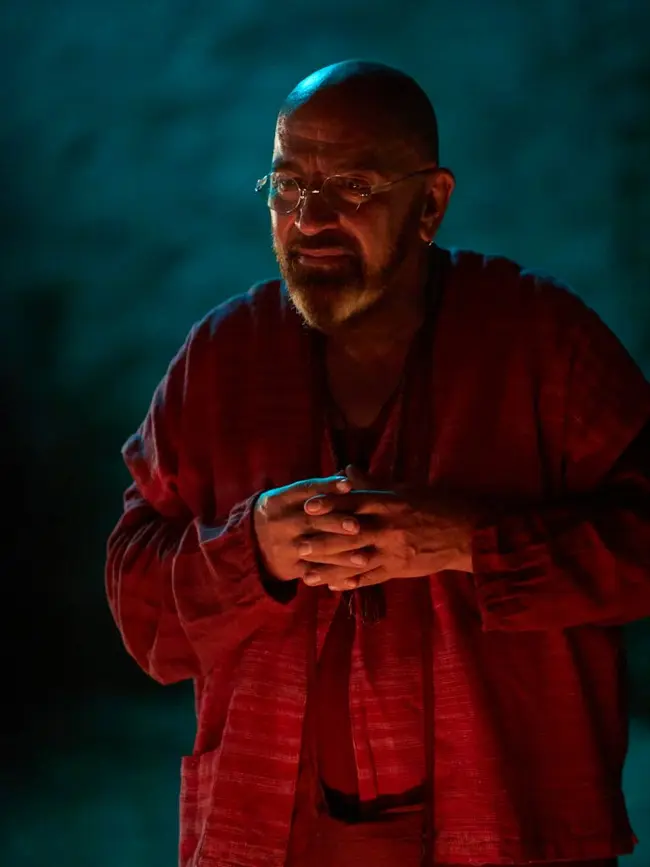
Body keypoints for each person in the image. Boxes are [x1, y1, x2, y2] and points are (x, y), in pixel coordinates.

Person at [106, 59, 650, 867]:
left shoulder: (541, 341)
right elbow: (138, 597)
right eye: (287, 187)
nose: (310, 219)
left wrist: (473, 542)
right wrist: (251, 552)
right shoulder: (223, 358)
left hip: (511, 832)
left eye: (353, 187)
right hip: (269, 840)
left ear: (430, 204)